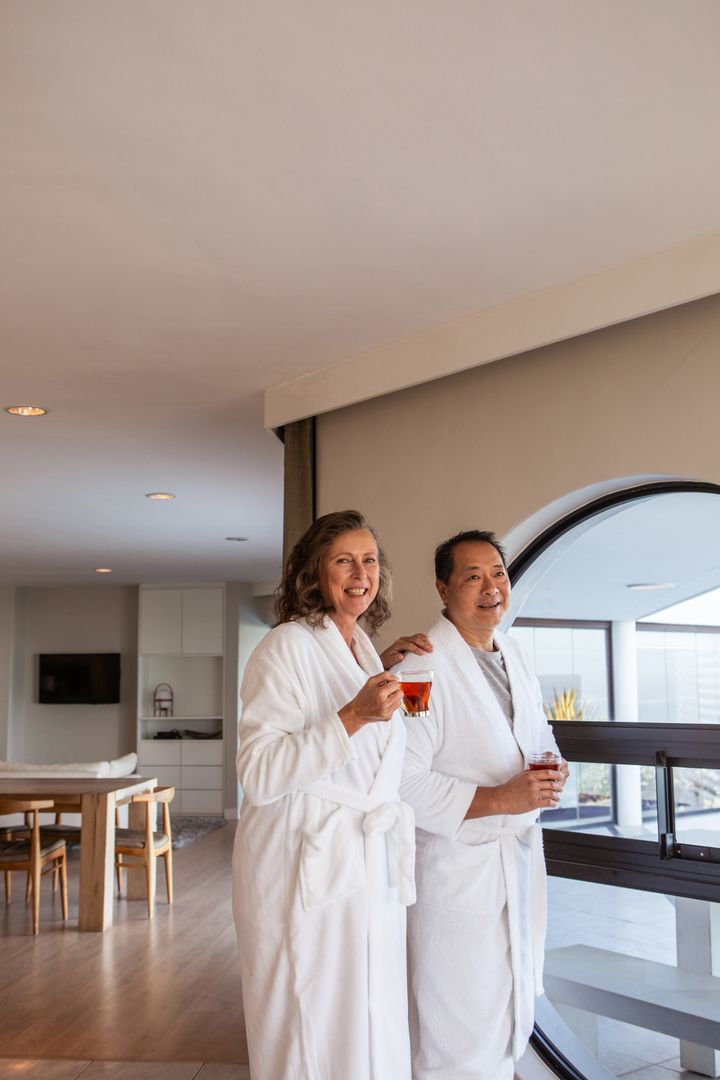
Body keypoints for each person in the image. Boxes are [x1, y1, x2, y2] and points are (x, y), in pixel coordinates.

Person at [232, 509, 432, 1080]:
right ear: (313, 572)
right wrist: (353, 714)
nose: (361, 573)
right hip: (303, 863)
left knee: (365, 1015)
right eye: (344, 560)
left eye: (369, 560)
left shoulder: (362, 648)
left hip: (362, 863)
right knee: (309, 1023)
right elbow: (258, 773)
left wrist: (378, 675)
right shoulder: (283, 646)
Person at [398, 529, 569, 1080]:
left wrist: (554, 766)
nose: (491, 587)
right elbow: (403, 781)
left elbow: (538, 735)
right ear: (443, 589)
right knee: (455, 1029)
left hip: (514, 863)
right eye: (473, 576)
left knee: (507, 1013)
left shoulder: (514, 654)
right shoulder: (419, 672)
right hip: (456, 871)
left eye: (498, 573)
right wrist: (499, 798)